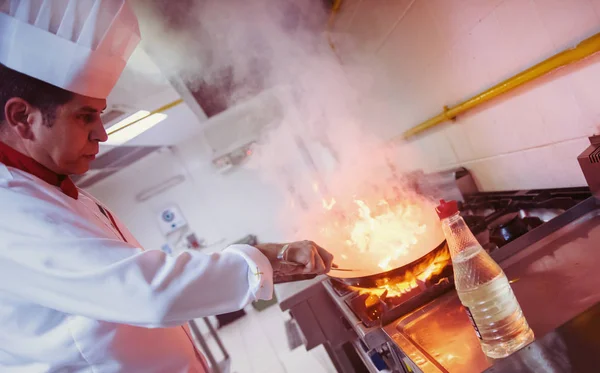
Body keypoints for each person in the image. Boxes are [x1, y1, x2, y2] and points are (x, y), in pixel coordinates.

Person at [0, 1, 334, 372]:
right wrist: (267, 258)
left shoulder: (54, 188)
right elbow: (148, 291)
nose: (102, 132)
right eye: (85, 117)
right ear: (22, 118)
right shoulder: (9, 210)